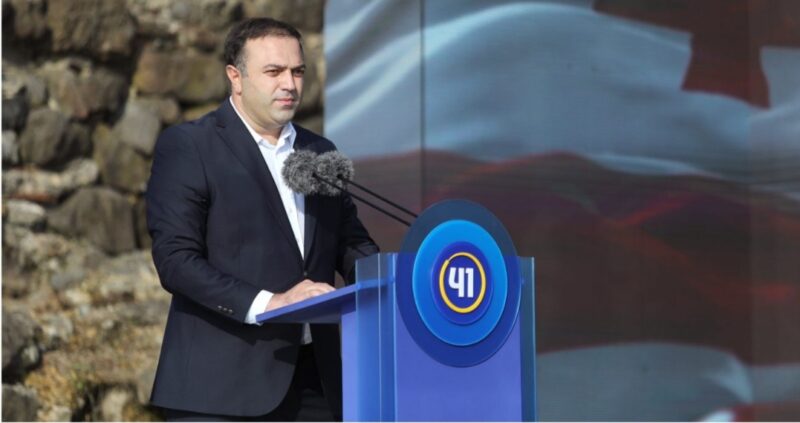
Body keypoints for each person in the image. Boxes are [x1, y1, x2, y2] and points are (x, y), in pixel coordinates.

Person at [146, 17, 378, 421]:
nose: (290, 84)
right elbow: (176, 260)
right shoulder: (190, 146)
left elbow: (350, 243)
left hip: (315, 385)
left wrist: (393, 280)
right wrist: (271, 303)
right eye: (274, 71)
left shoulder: (319, 151)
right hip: (217, 391)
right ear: (235, 77)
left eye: (297, 71)